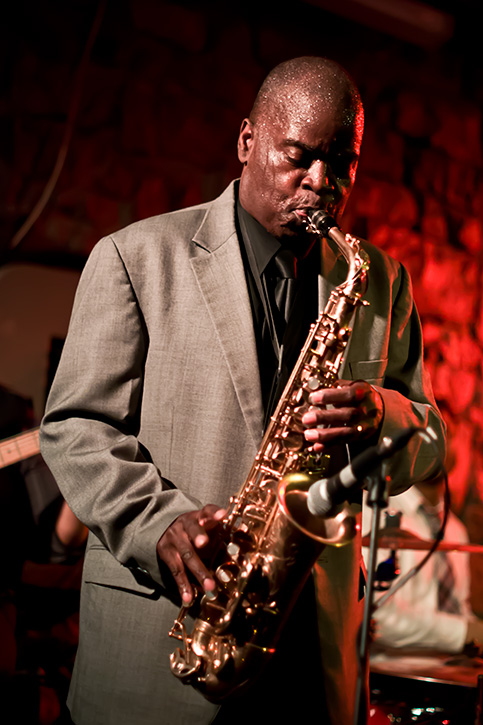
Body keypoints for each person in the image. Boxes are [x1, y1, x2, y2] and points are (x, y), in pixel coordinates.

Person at [39, 56, 445, 725]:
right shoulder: (135, 257)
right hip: (165, 642)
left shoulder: (378, 281)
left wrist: (381, 413)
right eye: (299, 156)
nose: (320, 183)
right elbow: (76, 426)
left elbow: (427, 438)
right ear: (246, 142)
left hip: (308, 658)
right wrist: (154, 522)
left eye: (340, 163)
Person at [362, 478, 483, 656]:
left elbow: (460, 612)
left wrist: (473, 631)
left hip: (449, 668)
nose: (440, 449)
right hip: (392, 674)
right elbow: (377, 617)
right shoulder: (371, 509)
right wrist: (463, 632)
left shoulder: (455, 529)